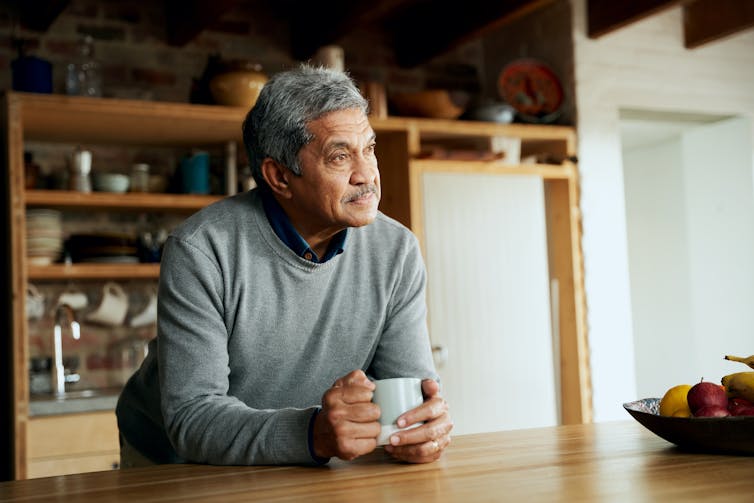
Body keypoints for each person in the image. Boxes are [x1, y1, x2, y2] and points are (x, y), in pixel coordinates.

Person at [115, 65, 452, 467]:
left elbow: (406, 393)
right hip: (173, 460)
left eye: (369, 149)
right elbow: (193, 419)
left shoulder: (396, 250)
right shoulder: (201, 249)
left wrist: (421, 428)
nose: (368, 175)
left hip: (306, 453)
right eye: (340, 156)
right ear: (279, 176)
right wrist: (312, 433)